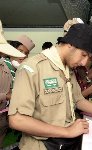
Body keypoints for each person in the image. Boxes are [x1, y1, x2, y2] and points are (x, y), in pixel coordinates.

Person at [8, 23, 92, 150]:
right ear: (70, 44)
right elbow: (17, 120)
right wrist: (67, 131)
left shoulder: (67, 68)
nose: (84, 62)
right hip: (43, 145)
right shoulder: (32, 68)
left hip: (67, 142)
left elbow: (78, 100)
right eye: (83, 55)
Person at [0, 20, 26, 148]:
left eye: (25, 53)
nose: (23, 55)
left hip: (4, 117)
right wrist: (7, 95)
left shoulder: (20, 71)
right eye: (20, 51)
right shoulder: (3, 67)